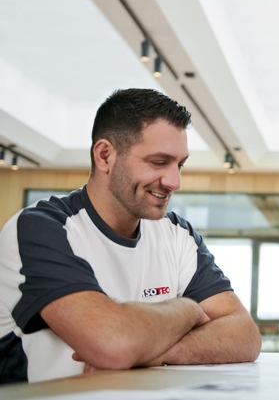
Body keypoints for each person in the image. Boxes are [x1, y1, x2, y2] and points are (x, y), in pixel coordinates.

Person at [0, 88, 261, 383]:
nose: (174, 181)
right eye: (159, 162)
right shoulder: (41, 229)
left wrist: (150, 351)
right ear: (105, 156)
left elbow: (245, 335)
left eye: (180, 165)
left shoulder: (178, 235)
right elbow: (113, 344)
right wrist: (187, 309)